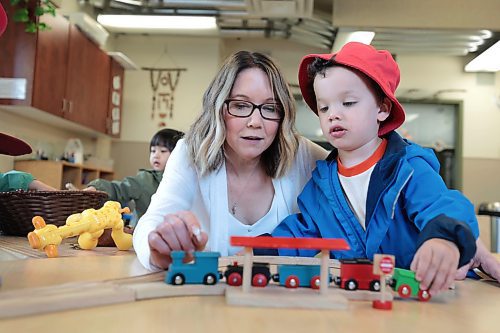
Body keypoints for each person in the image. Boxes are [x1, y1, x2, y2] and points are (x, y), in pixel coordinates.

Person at [269, 42, 499, 296]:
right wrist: (260, 252)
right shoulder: (320, 185)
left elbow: (444, 206)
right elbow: (301, 236)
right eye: (324, 108)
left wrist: (444, 238)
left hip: (429, 294)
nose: (333, 114)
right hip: (366, 300)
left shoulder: (408, 169)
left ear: (382, 109)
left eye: (348, 103)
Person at [133, 51, 328, 271]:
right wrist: (158, 251)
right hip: (210, 301)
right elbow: (151, 222)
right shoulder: (190, 152)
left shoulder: (301, 154)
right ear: (218, 108)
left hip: (282, 301)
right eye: (241, 106)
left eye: (270, 108)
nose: (255, 121)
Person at [84, 128, 184, 223]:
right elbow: (120, 188)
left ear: (178, 155)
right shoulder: (145, 179)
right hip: (140, 236)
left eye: (163, 151)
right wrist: (97, 187)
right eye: (153, 151)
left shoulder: (183, 181)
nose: (156, 155)